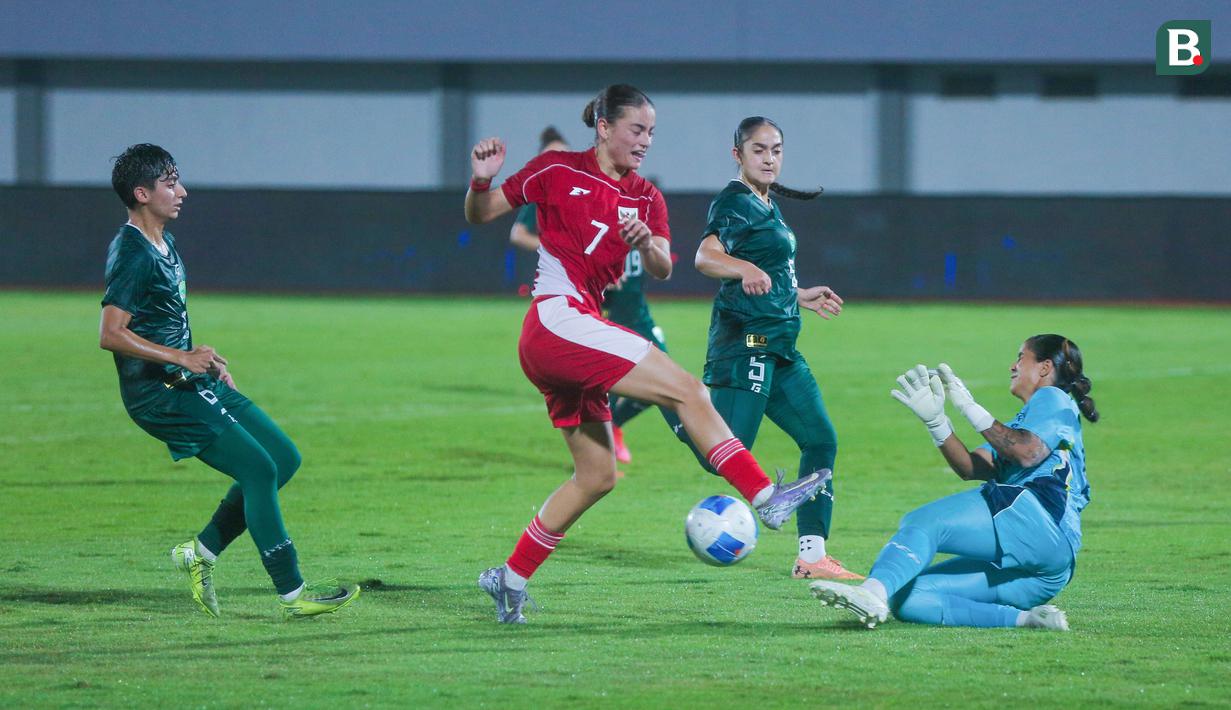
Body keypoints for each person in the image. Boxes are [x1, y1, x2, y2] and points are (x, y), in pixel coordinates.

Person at [464, 84, 826, 624]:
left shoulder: (646, 198)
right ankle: (765, 494)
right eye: (637, 129)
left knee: (597, 476)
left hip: (574, 330)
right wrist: (482, 178)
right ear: (604, 126)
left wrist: (645, 243)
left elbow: (662, 264)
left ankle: (508, 579)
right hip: (557, 321)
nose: (645, 141)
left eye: (652, 132)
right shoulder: (557, 169)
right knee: (687, 389)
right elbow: (482, 212)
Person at [99, 144, 359, 620]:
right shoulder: (133, 252)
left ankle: (201, 552)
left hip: (187, 377)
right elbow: (111, 334)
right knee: (259, 471)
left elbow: (164, 318)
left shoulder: (165, 241)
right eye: (170, 183)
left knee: (284, 458)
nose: (182, 191)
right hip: (159, 394)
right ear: (142, 193)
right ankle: (292, 591)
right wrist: (181, 357)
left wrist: (205, 360)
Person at [808, 335, 1098, 630]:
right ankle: (1030, 620)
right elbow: (971, 467)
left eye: (1021, 357)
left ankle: (870, 592)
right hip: (1044, 570)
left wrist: (968, 406)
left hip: (1040, 525)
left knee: (924, 522)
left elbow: (1026, 452)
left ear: (1045, 368)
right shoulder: (1025, 423)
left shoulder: (1052, 398)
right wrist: (937, 422)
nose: (1013, 365)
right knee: (909, 598)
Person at [691, 116, 860, 581]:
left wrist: (797, 294)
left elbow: (769, 269)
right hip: (748, 342)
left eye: (777, 150)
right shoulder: (734, 201)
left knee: (821, 439)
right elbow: (705, 257)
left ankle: (812, 556)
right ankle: (671, 402)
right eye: (759, 150)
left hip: (779, 342)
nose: (770, 158)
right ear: (738, 155)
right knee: (728, 451)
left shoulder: (766, 203)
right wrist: (741, 266)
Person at [508, 126, 681, 464]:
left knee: (667, 381)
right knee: (663, 386)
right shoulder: (549, 187)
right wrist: (573, 259)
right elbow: (518, 232)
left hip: (629, 301)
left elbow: (655, 261)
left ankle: (622, 428)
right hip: (583, 303)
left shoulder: (617, 193)